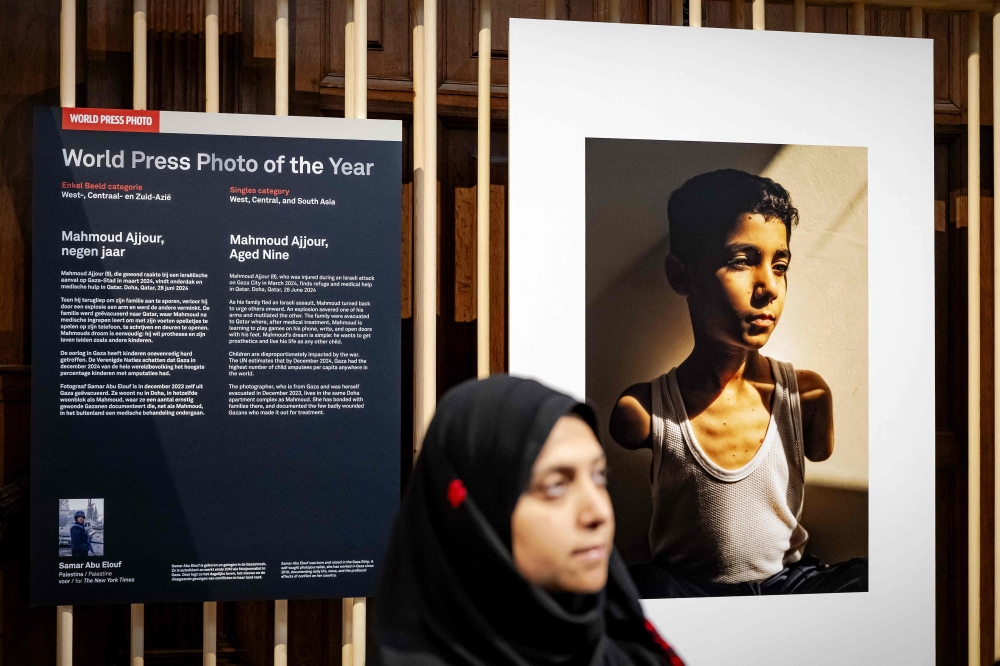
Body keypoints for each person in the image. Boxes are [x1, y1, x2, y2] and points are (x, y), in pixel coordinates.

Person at [609, 169, 867, 597]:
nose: (767, 287)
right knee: (629, 591)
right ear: (681, 275)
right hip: (687, 588)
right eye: (742, 261)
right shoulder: (645, 410)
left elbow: (818, 449)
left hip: (789, 583)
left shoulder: (806, 397)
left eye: (780, 265)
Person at [373, 374, 684, 666]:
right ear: (478, 515)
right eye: (555, 486)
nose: (598, 513)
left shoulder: (630, 655)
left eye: (599, 477)